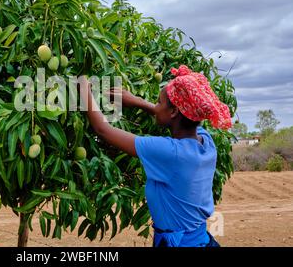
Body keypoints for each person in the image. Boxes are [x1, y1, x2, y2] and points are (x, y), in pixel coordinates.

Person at [78, 65, 232, 247]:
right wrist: (137, 101)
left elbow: (103, 130)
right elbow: (181, 116)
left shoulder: (170, 152)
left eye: (158, 102)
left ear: (174, 112)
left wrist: (83, 86)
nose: (155, 105)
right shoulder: (206, 143)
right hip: (201, 240)